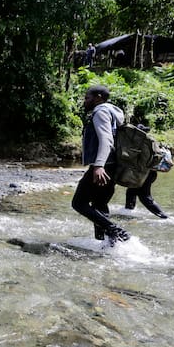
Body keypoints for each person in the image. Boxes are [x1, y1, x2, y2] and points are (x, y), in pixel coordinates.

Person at [71, 85, 130, 245]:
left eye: (87, 98)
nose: (85, 101)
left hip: (103, 166)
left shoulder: (101, 112)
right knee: (100, 204)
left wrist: (98, 166)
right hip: (113, 165)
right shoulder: (113, 112)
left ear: (98, 97)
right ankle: (108, 244)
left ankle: (115, 230)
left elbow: (106, 140)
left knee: (78, 203)